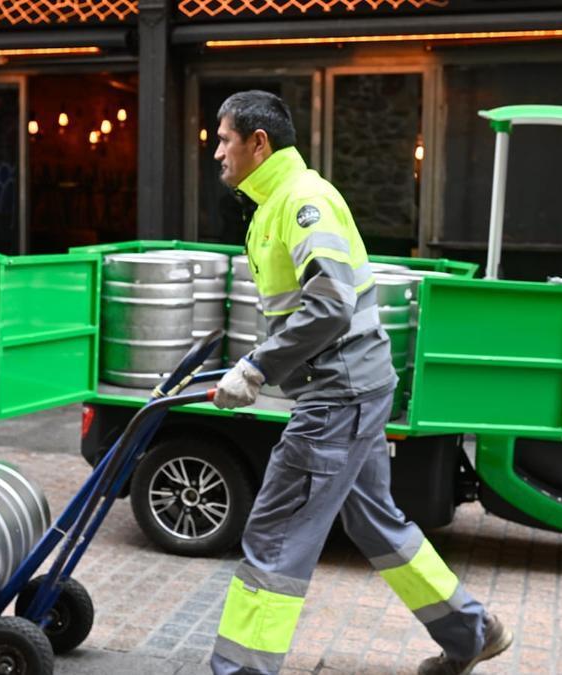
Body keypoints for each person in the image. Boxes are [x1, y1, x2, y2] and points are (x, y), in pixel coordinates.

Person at [208, 90, 512, 675]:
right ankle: (471, 632)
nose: (217, 150)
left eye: (224, 139)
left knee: (275, 531)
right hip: (355, 387)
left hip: (336, 394)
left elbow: (329, 306)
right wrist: (260, 360)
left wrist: (257, 368)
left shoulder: (303, 202)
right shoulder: (277, 200)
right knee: (373, 518)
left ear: (258, 142)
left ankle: (242, 670)